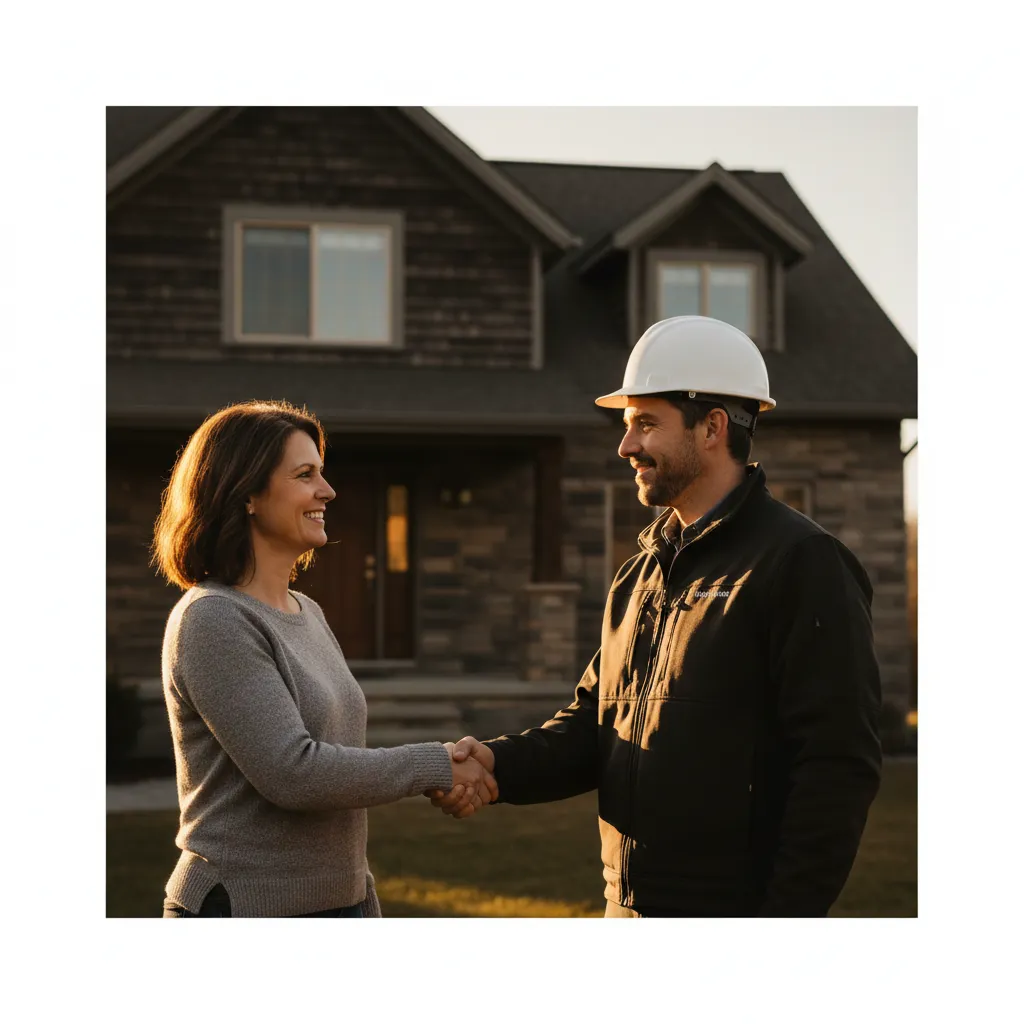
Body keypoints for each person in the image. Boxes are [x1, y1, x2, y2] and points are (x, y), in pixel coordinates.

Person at [428, 316, 883, 918]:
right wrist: (496, 764)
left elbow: (836, 766)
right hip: (628, 910)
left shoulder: (801, 564)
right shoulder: (638, 574)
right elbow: (597, 724)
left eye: (646, 424)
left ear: (714, 427)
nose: (626, 446)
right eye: (627, 425)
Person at [150, 399, 497, 918]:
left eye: (322, 473)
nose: (327, 490)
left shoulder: (306, 611)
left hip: (339, 901)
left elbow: (335, 768)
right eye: (304, 474)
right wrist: (436, 765)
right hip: (245, 907)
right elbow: (295, 773)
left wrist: (361, 896)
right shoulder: (214, 619)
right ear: (246, 493)